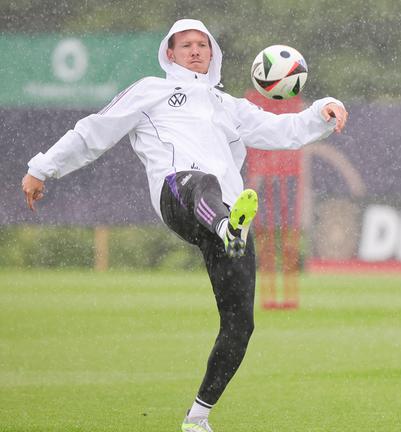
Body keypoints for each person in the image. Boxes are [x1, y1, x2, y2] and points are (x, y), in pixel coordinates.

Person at [20, 18, 348, 432]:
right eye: (185, 45)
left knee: (240, 324)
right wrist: (42, 168)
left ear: (212, 53)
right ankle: (228, 226)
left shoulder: (229, 106)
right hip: (178, 195)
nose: (195, 50)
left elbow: (285, 129)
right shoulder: (150, 90)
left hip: (227, 215)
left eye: (202, 44)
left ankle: (198, 417)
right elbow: (93, 132)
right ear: (169, 54)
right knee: (201, 181)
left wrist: (323, 109)